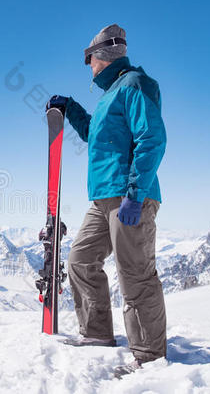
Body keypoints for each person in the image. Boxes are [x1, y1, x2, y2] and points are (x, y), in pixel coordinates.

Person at [46, 24, 167, 377]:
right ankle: (97, 333)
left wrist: (135, 195)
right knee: (80, 261)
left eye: (89, 59)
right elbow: (95, 137)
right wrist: (71, 109)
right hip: (102, 199)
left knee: (136, 275)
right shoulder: (110, 95)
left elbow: (151, 140)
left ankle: (149, 356)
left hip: (128, 196)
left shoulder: (134, 85)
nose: (88, 66)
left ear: (103, 56)